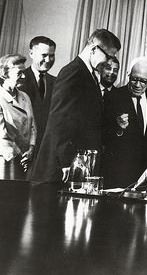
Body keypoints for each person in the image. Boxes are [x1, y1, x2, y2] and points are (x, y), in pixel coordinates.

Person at [28, 29, 121, 184]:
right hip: (64, 167)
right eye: (108, 56)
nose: (108, 62)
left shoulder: (88, 74)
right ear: (93, 49)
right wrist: (65, 162)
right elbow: (60, 120)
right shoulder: (73, 72)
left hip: (78, 163)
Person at [102, 57, 147, 188]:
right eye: (134, 79)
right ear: (128, 74)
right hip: (120, 173)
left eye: (143, 81)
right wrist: (118, 128)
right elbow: (102, 135)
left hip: (146, 175)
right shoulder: (113, 97)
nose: (138, 85)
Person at [0, 54, 36, 179]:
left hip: (25, 159)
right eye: (19, 73)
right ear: (4, 74)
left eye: (24, 72)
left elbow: (32, 126)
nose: (24, 76)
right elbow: (2, 135)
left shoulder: (25, 97)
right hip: (5, 160)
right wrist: (21, 155)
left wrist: (31, 149)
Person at [18, 36, 56, 156]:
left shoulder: (57, 82)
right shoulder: (17, 80)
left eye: (51, 55)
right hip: (21, 151)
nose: (48, 60)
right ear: (31, 53)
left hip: (46, 150)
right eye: (44, 55)